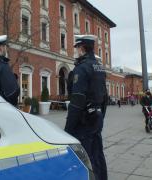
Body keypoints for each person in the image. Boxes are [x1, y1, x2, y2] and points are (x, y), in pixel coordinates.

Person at [64, 34, 108, 180]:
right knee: (98, 154)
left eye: (77, 48)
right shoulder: (99, 67)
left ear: (82, 48)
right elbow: (105, 97)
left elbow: (77, 101)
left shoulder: (81, 69)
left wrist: (68, 129)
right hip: (96, 117)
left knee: (84, 158)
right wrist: (100, 115)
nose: (76, 51)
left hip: (84, 121)